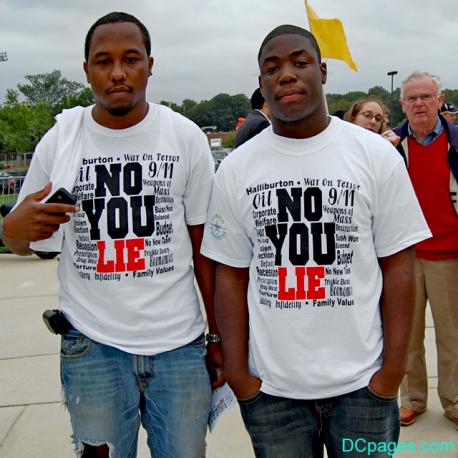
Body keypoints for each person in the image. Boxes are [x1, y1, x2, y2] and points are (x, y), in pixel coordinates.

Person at [201, 25, 431, 457]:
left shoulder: (375, 156)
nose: (286, 75)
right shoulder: (236, 169)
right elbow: (229, 274)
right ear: (261, 84)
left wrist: (392, 371)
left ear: (323, 72)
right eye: (272, 68)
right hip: (272, 390)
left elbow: (399, 264)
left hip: (364, 386)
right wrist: (239, 374)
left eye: (299, 63)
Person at [3, 12, 223, 458]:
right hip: (92, 343)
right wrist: (10, 230)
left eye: (131, 59)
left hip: (178, 344)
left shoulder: (184, 137)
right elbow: (24, 236)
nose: (118, 72)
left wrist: (217, 336)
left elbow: (204, 249)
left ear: (150, 64)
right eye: (103, 61)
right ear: (87, 70)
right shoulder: (61, 141)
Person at [393, 71, 458, 430]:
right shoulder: (389, 146)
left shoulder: (457, 144)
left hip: (448, 254)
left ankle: (454, 400)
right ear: (402, 105)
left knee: (452, 337)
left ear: (439, 99)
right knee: (407, 335)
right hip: (405, 256)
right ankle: (412, 399)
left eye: (425, 96)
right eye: (412, 98)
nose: (419, 103)